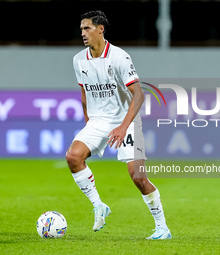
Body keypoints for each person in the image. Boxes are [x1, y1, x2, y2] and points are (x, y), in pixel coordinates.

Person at [65, 10, 171, 240]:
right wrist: (87, 124)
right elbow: (84, 94)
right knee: (73, 157)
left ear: (100, 29)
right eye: (81, 28)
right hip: (98, 122)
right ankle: (99, 206)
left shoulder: (119, 57)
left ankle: (162, 227)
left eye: (87, 28)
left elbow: (139, 95)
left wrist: (123, 127)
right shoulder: (78, 60)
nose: (82, 33)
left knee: (138, 177)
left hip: (126, 120)